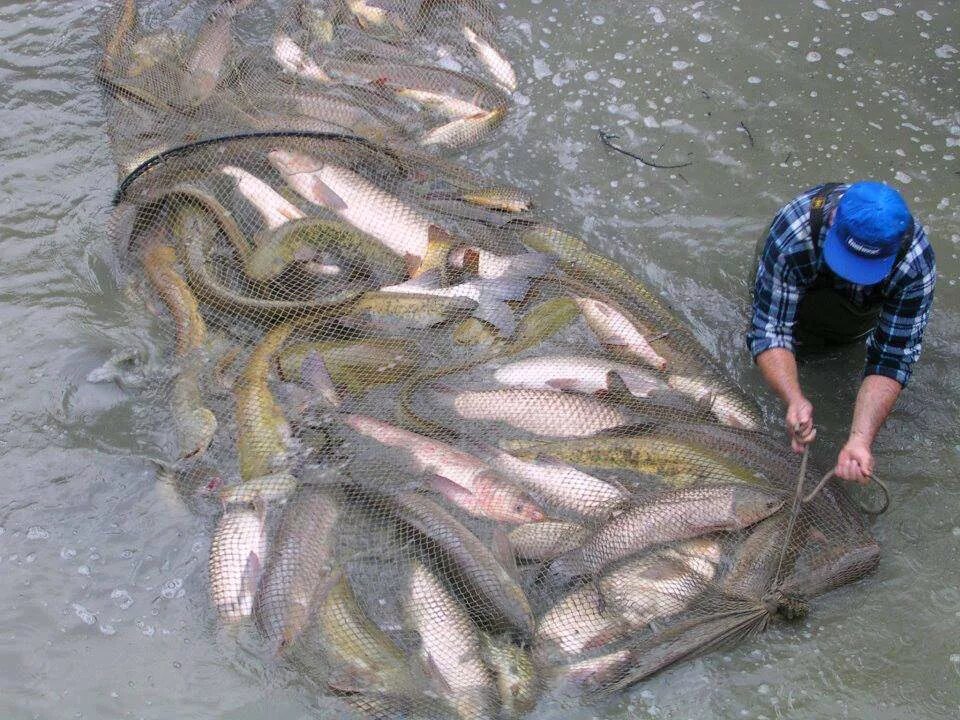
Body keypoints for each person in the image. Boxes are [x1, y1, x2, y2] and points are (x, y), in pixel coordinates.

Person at [747, 181, 936, 483]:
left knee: (844, 351)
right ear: (833, 219)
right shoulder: (794, 232)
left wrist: (860, 438)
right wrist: (794, 399)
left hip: (859, 314)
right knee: (787, 344)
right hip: (798, 282)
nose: (856, 277)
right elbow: (770, 329)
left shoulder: (915, 262)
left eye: (867, 267)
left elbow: (891, 358)